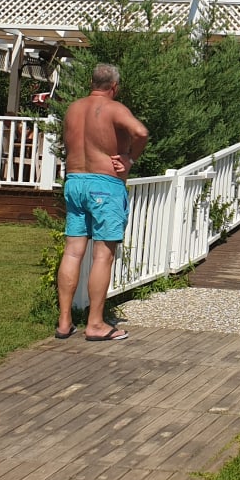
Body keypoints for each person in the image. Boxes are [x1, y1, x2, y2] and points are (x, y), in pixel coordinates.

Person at [56, 63, 149, 342]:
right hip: (104, 185)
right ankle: (95, 324)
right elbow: (141, 132)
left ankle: (64, 322)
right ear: (114, 86)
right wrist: (130, 159)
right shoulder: (113, 108)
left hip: (75, 182)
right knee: (102, 255)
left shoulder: (73, 108)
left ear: (92, 82)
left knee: (73, 252)